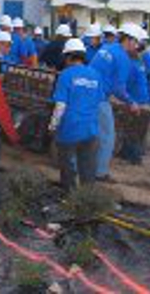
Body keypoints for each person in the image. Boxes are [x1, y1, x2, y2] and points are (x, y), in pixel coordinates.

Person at [90, 23, 142, 181]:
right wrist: (131, 102)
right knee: (107, 136)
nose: (137, 46)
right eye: (137, 42)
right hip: (99, 98)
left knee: (90, 133)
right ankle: (100, 173)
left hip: (86, 92)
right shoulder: (123, 58)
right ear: (130, 40)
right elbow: (119, 88)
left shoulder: (106, 48)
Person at [49, 38, 103, 192]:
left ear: (68, 57)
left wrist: (53, 126)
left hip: (69, 128)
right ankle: (86, 197)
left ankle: (69, 195)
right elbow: (99, 103)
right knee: (87, 166)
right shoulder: (95, 75)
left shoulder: (66, 75)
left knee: (67, 165)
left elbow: (60, 105)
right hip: (91, 129)